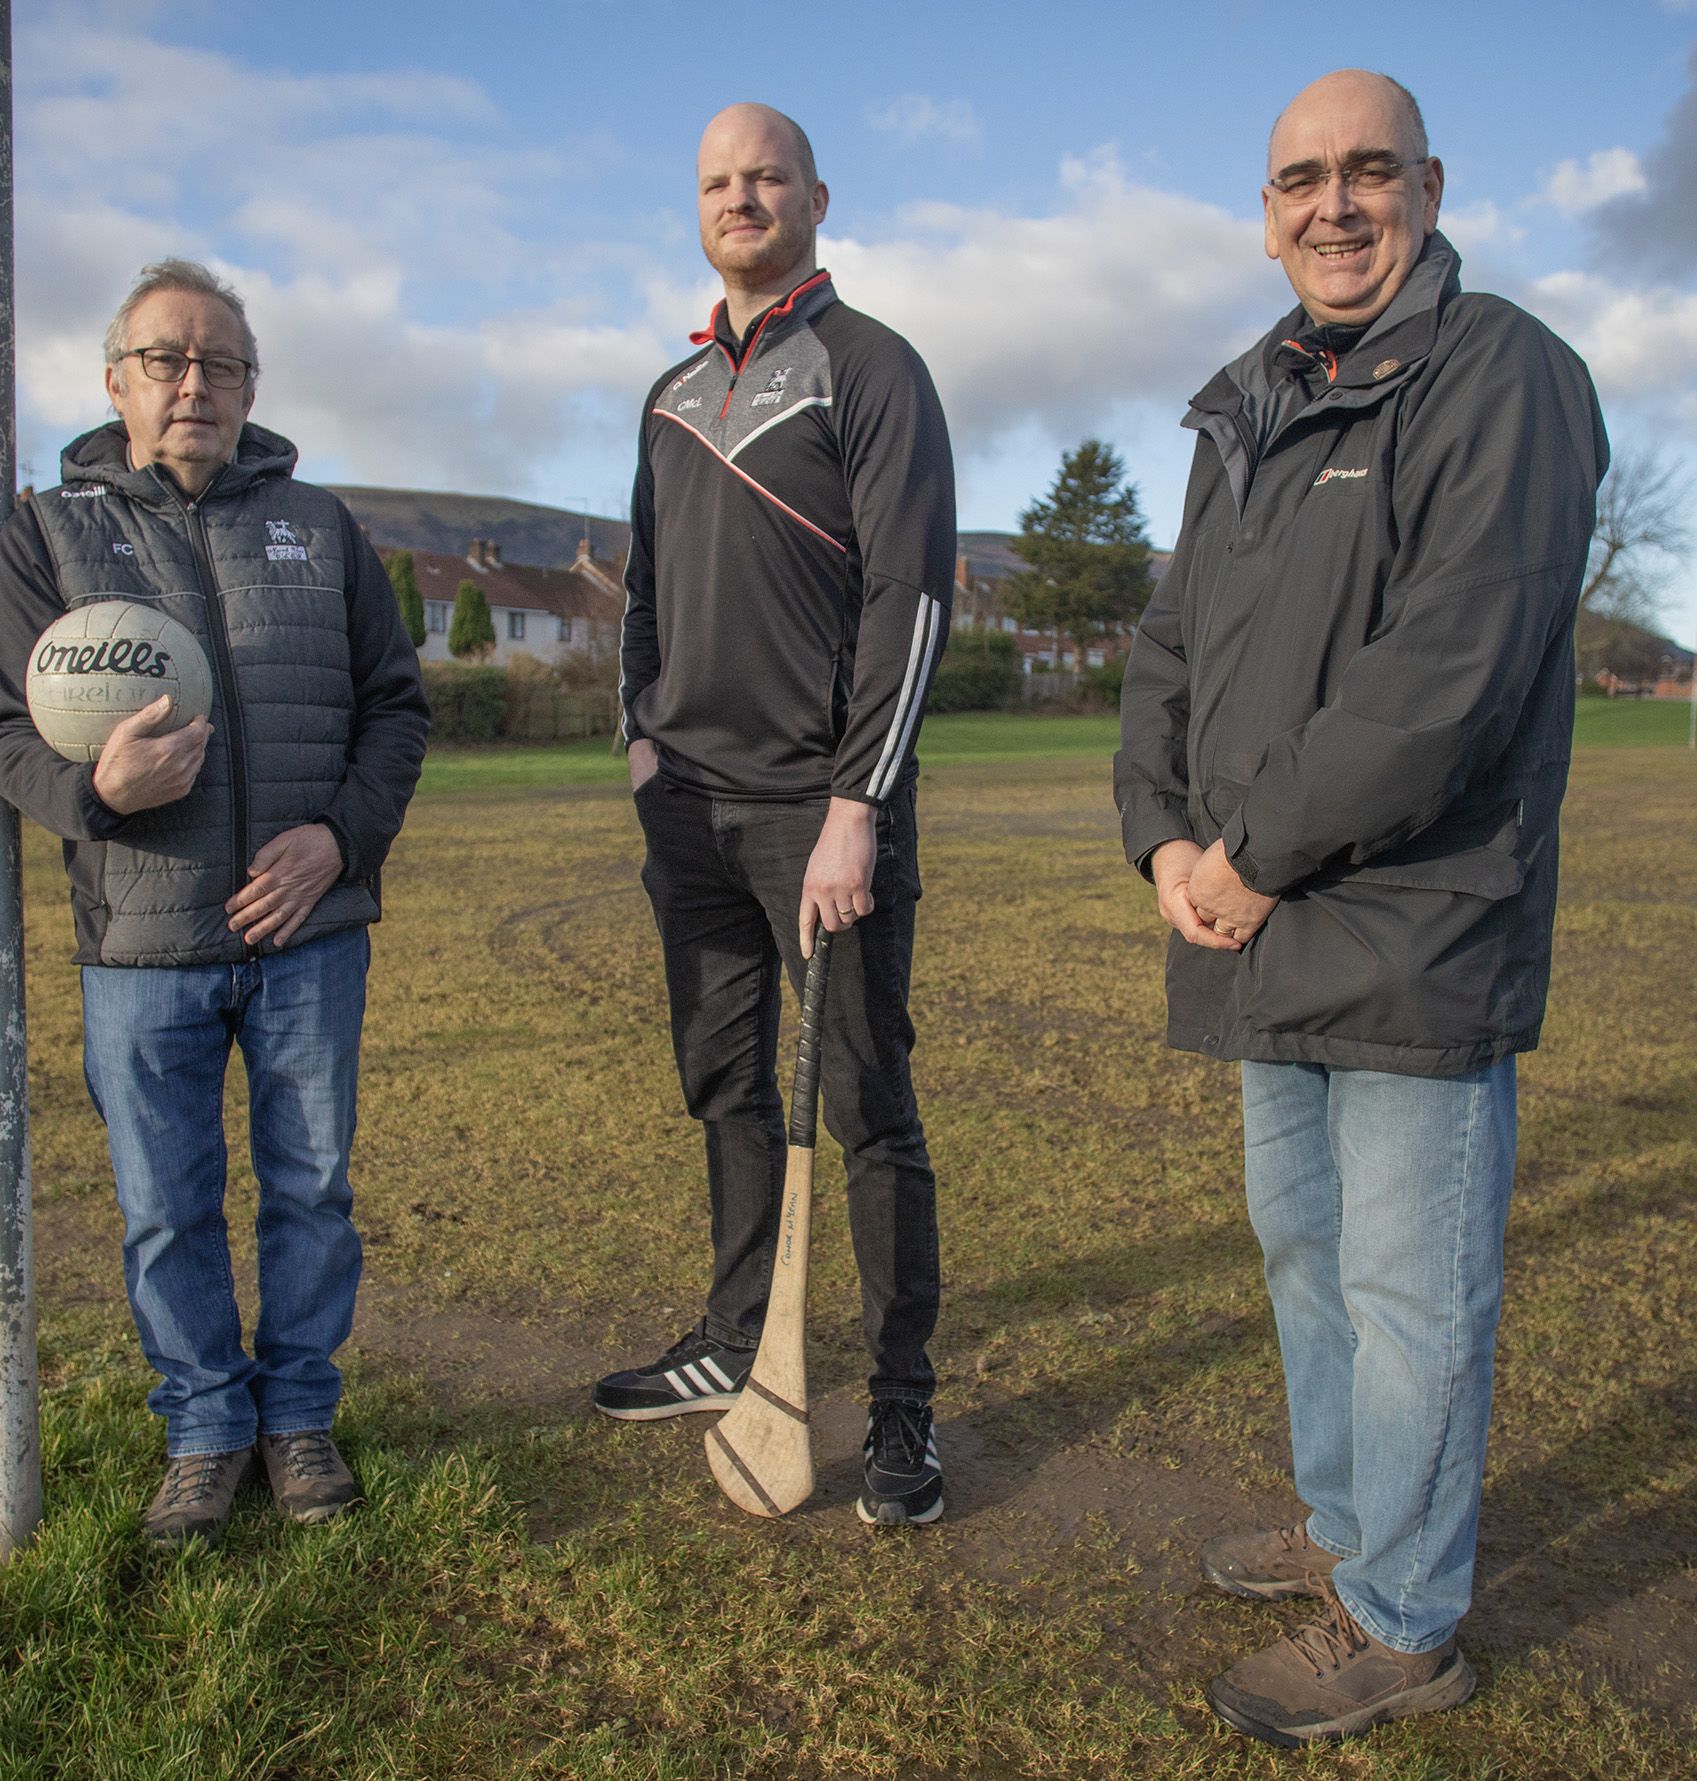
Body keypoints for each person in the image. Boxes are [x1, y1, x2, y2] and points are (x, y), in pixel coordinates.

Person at [1114, 71, 1608, 1744]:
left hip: (1410, 921)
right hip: (1255, 921)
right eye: (1301, 179)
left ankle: (1403, 1618)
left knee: (1411, 1296)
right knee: (1308, 1261)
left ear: (1428, 185)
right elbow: (1169, 654)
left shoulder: (1507, 378)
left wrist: (1247, 860)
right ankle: (1343, 1531)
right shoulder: (1246, 402)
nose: (1335, 205)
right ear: (1266, 213)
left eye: (1368, 171)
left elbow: (1446, 678)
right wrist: (1163, 845)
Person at [0, 259, 429, 1543]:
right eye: (167, 360)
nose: (194, 383)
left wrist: (338, 840)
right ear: (115, 380)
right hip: (143, 940)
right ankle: (203, 1429)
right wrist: (99, 788)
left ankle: (297, 1420)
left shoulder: (322, 528)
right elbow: (5, 732)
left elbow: (396, 709)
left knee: (311, 1187)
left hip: (308, 934)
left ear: (249, 388)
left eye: (220, 362)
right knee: (167, 1204)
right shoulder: (46, 533)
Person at [602, 103, 959, 1527]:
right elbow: (638, 595)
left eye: (766, 177)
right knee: (726, 1088)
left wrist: (859, 801)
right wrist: (642, 750)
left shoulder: (872, 368)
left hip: (825, 817)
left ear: (817, 195)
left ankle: (901, 1413)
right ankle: (737, 1346)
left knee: (869, 1107)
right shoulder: (669, 393)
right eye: (716, 181)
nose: (741, 197)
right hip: (687, 815)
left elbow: (911, 602)